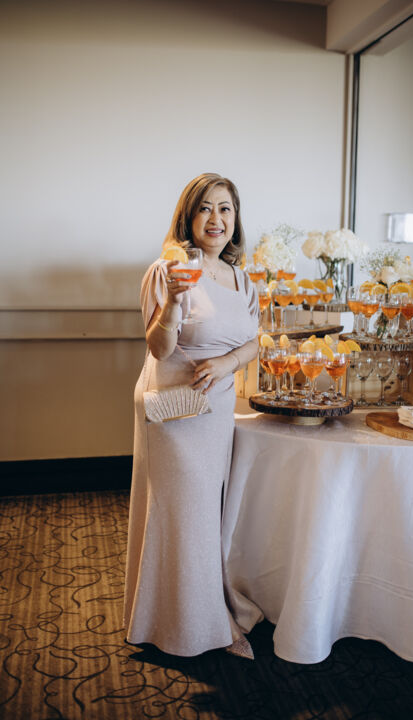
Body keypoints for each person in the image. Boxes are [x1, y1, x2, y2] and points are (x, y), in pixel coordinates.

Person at [123, 173, 259, 659]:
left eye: (225, 208)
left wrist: (227, 363)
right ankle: (196, 627)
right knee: (182, 516)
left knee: (204, 517)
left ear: (235, 218)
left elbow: (253, 342)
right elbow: (159, 349)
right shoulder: (168, 271)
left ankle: (196, 614)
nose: (216, 219)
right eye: (205, 208)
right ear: (189, 216)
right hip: (174, 412)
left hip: (215, 410)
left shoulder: (242, 279)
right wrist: (176, 303)